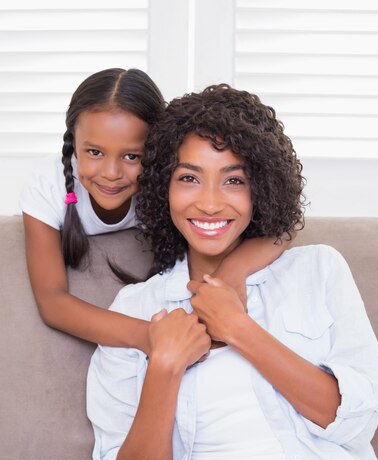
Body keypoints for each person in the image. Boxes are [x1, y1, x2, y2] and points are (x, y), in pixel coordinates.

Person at [86, 84, 378, 460]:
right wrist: (165, 368)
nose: (210, 202)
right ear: (163, 187)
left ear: (260, 189)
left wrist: (239, 328)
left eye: (233, 180)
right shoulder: (136, 311)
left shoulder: (317, 271)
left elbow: (351, 419)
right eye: (189, 177)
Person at [20, 68, 287, 351]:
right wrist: (150, 336)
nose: (111, 173)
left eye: (132, 156)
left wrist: (233, 273)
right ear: (74, 143)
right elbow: (52, 302)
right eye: (94, 152)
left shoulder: (166, 187)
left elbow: (283, 227)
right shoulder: (49, 185)